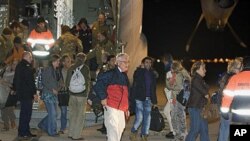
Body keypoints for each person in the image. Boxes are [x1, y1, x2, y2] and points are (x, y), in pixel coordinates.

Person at [94, 53, 130, 141]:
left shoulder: (124, 76)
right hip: (111, 106)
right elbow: (98, 85)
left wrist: (127, 108)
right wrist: (103, 98)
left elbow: (125, 94)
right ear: (118, 62)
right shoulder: (110, 74)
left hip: (121, 108)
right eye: (125, 62)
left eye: (128, 62)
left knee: (120, 128)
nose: (127, 64)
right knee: (113, 130)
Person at [129, 57, 157, 141]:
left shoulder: (152, 74)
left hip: (148, 99)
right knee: (140, 117)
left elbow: (153, 88)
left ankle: (144, 135)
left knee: (147, 118)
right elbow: (136, 78)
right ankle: (133, 131)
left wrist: (154, 101)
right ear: (143, 63)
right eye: (146, 62)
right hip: (139, 98)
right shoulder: (138, 72)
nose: (148, 64)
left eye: (150, 62)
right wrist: (140, 69)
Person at [87, 54, 116, 134]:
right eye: (113, 60)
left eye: (115, 60)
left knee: (109, 112)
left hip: (112, 94)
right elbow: (99, 82)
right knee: (106, 111)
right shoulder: (105, 70)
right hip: (104, 93)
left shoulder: (117, 70)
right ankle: (106, 127)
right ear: (108, 61)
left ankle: (107, 127)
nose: (114, 62)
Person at [66, 53, 91, 140]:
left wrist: (69, 90)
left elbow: (67, 81)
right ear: (84, 59)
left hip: (72, 95)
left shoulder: (71, 67)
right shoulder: (85, 68)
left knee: (72, 114)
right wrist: (87, 93)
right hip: (82, 95)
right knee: (80, 116)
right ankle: (76, 136)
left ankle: (70, 133)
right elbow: (87, 81)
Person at [220, 56, 250, 130]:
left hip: (238, 117)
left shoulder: (235, 78)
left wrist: (224, 111)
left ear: (242, 66)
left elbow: (227, 96)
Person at [13, 51, 38, 140]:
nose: (31, 59)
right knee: (26, 114)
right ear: (26, 57)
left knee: (25, 113)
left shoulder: (20, 66)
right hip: (26, 94)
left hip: (23, 93)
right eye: (30, 57)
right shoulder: (26, 66)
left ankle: (25, 131)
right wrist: (34, 93)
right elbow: (30, 82)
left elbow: (16, 80)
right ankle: (23, 132)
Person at [217, 57, 243, 141]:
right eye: (241, 66)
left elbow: (220, 93)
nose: (242, 68)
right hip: (230, 109)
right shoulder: (234, 78)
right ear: (236, 68)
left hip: (224, 108)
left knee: (223, 131)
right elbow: (229, 95)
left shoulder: (225, 75)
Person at [165, 60, 191, 140]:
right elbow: (168, 86)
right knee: (173, 116)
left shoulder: (182, 73)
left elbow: (189, 80)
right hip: (174, 98)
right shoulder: (170, 74)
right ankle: (177, 133)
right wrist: (171, 83)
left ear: (176, 67)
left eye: (172, 67)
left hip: (181, 97)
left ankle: (183, 133)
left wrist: (182, 70)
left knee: (181, 115)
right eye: (170, 67)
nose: (171, 69)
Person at [185, 61, 210, 141]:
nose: (205, 70)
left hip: (201, 108)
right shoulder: (196, 79)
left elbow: (206, 93)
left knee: (204, 130)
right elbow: (206, 93)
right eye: (203, 68)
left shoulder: (200, 80)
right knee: (195, 130)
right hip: (195, 108)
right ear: (197, 70)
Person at [38, 54, 62, 136]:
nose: (59, 62)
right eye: (58, 61)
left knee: (55, 113)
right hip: (48, 94)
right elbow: (44, 81)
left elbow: (56, 82)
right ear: (53, 61)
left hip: (53, 95)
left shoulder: (56, 70)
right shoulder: (48, 69)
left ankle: (42, 124)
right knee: (53, 113)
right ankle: (52, 131)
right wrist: (52, 89)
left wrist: (59, 87)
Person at [0, 60, 18, 131]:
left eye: (16, 64)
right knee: (3, 108)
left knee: (9, 108)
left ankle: (12, 123)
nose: (14, 66)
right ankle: (6, 125)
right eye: (13, 64)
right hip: (3, 93)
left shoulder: (17, 73)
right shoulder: (6, 72)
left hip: (11, 93)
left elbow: (14, 85)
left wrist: (4, 82)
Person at [161, 53, 175, 138]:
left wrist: (167, 90)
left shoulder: (169, 71)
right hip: (173, 95)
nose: (163, 62)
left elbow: (172, 84)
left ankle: (174, 131)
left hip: (172, 95)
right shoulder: (173, 68)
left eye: (163, 60)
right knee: (168, 111)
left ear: (166, 60)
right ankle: (173, 131)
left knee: (168, 111)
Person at [58, 54, 71, 134]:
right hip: (62, 93)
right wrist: (60, 84)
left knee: (66, 111)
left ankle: (69, 127)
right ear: (63, 63)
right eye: (68, 61)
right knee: (63, 111)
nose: (69, 63)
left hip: (70, 93)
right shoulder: (59, 71)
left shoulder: (72, 70)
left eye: (70, 61)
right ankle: (63, 128)